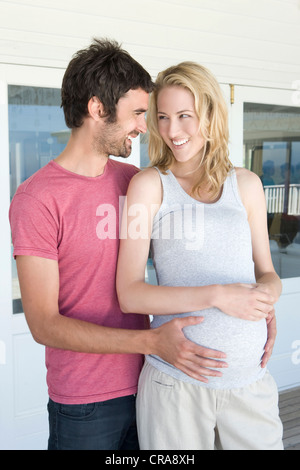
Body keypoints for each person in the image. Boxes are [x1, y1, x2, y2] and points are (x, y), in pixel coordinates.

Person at [9, 41, 228, 451]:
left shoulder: (134, 182)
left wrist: (254, 304)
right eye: (138, 113)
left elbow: (198, 253)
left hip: (155, 383)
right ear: (97, 109)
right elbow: (43, 324)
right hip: (86, 405)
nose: (146, 127)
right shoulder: (36, 200)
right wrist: (149, 341)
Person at [116, 61, 283, 450]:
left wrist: (266, 300)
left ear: (209, 114)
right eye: (162, 117)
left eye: (184, 116)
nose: (172, 131)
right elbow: (130, 292)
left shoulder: (247, 185)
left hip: (250, 380)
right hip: (177, 384)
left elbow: (267, 273)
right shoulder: (149, 186)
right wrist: (219, 295)